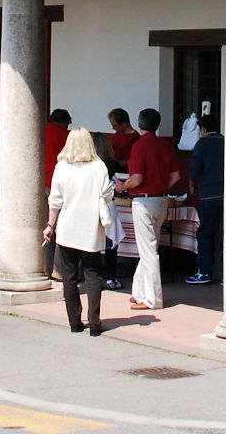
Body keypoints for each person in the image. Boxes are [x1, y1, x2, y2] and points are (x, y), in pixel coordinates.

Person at [44, 128, 114, 336]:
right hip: (90, 228)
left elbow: (55, 200)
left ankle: (74, 322)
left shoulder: (62, 167)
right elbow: (107, 194)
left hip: (67, 228)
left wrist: (50, 225)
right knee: (93, 276)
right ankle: (94, 323)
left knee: (69, 277)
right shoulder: (99, 166)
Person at [122, 107, 179, 310]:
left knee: (147, 251)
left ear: (139, 124)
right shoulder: (165, 145)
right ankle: (139, 292)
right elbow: (175, 176)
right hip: (161, 199)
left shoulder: (139, 146)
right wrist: (160, 187)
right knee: (149, 247)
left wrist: (123, 186)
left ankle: (152, 298)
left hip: (143, 201)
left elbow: (136, 179)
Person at [185, 112, 224, 285]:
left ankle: (204, 271)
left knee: (205, 232)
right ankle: (224, 273)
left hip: (209, 194)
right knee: (224, 233)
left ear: (203, 129)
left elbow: (195, 167)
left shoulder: (202, 144)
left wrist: (192, 183)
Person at [96, 115, 130, 290]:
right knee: (111, 243)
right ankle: (110, 278)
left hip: (90, 206)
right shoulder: (110, 163)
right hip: (108, 205)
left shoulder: (88, 164)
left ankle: (90, 276)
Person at [43, 109, 72, 189]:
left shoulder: (41, 130)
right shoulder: (65, 135)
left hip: (40, 177)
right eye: (67, 125)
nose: (67, 128)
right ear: (64, 122)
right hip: (56, 177)